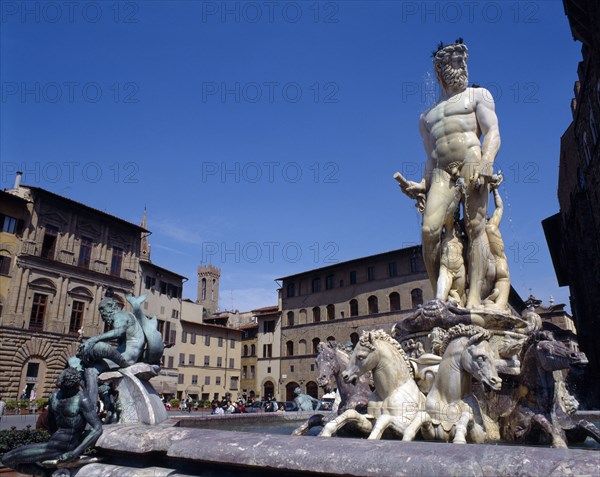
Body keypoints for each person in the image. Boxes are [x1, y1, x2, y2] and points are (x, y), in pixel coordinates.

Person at [399, 39, 501, 309]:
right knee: (429, 231)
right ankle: (441, 298)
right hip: (442, 173)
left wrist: (487, 160)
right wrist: (422, 184)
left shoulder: (479, 95)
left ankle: (475, 300)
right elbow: (431, 157)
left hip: (471, 162)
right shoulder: (427, 117)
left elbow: (492, 132)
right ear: (440, 69)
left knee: (475, 227)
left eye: (464, 61)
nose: (463, 67)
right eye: (457, 62)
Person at [1, 367, 102, 477]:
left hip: (65, 447)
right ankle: (46, 473)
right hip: (52, 445)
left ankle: (46, 473)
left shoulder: (82, 399)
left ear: (69, 382)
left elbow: (97, 428)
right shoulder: (54, 396)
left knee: (8, 459)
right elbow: (50, 423)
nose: (59, 382)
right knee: (7, 459)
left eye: (62, 380)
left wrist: (75, 452)